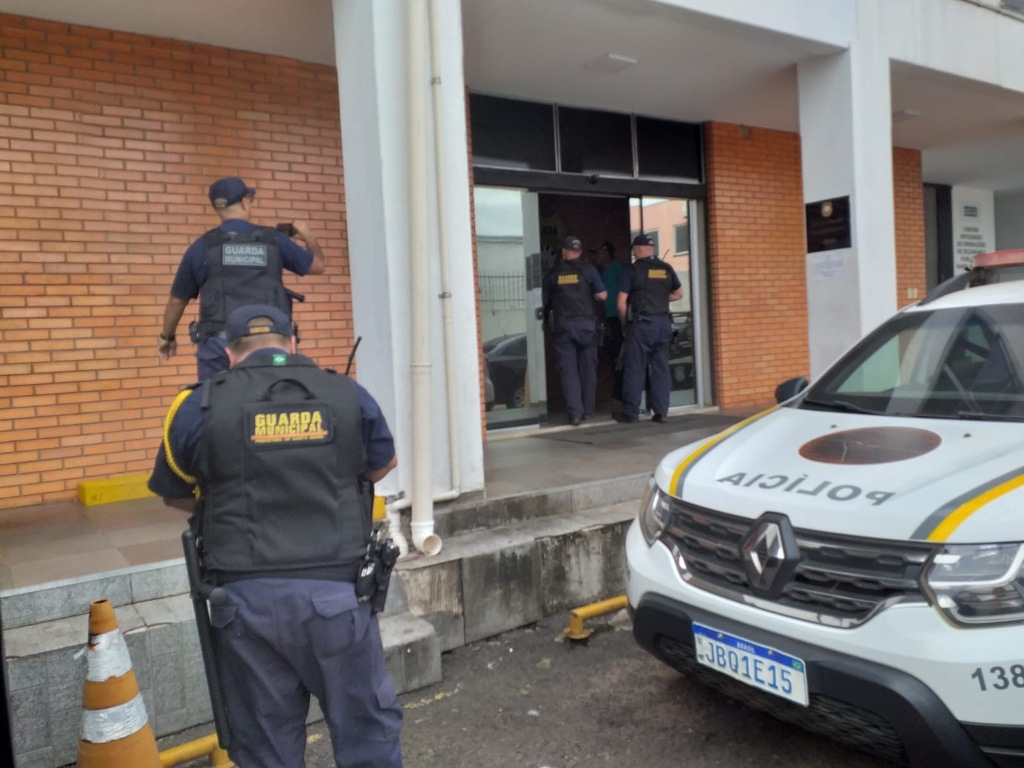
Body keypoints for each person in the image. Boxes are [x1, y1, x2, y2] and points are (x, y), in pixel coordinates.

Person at [148, 304, 403, 768]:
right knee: (367, 736)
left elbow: (176, 493)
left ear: (229, 353)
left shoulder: (195, 405)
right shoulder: (349, 395)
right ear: (293, 342)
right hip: (338, 598)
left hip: (243, 604)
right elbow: (382, 464)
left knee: (266, 749)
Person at [157, 176, 326, 380]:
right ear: (245, 202)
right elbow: (317, 265)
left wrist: (167, 337)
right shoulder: (274, 240)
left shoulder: (201, 247)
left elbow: (177, 301)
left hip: (219, 347)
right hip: (271, 344)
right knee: (278, 398)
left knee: (215, 403)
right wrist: (308, 236)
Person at [613, 233, 683, 424]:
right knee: (661, 368)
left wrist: (624, 324)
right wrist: (660, 298)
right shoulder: (666, 268)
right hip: (663, 324)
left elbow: (621, 303)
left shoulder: (632, 270)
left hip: (642, 324)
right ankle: (661, 412)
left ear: (638, 249)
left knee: (635, 367)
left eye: (634, 249)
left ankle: (631, 412)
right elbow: (679, 294)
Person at [542, 235, 607, 426]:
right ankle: (588, 411)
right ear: (579, 252)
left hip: (564, 327)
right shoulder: (589, 270)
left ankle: (575, 414)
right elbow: (603, 295)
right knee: (588, 370)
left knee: (569, 372)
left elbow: (543, 301)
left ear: (563, 251)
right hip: (587, 326)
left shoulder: (554, 273)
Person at [594, 240, 626, 400]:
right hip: (610, 319)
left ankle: (620, 395)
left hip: (619, 318)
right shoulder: (603, 272)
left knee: (619, 356)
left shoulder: (619, 268)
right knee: (611, 355)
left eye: (600, 252)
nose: (597, 256)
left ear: (608, 253)